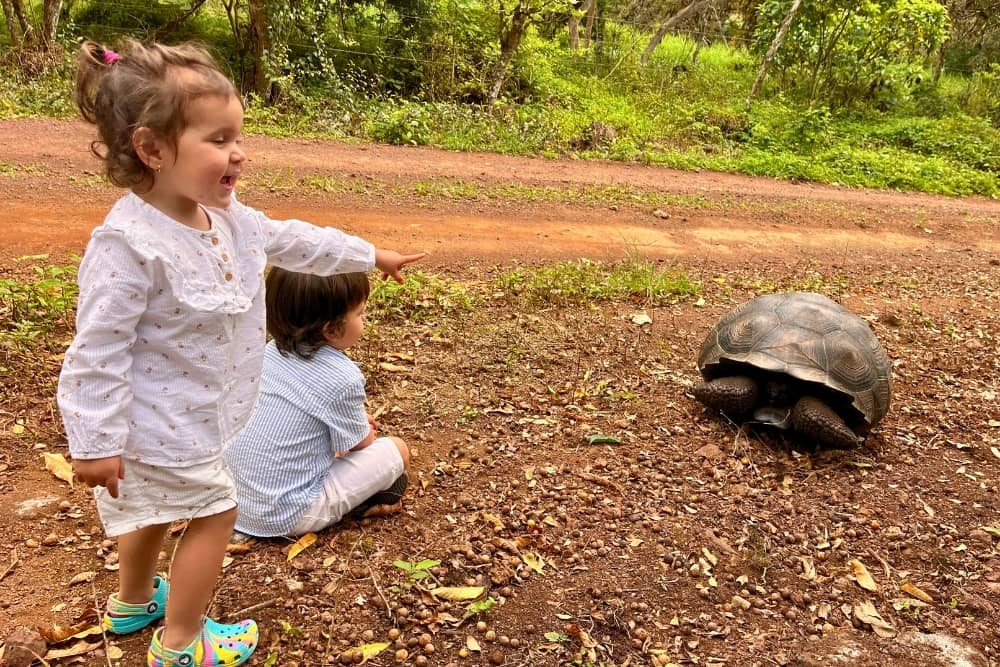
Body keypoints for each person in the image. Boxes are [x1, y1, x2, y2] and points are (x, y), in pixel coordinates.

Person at [57, 39, 424, 667]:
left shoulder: (224, 216)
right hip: (161, 426)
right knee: (215, 512)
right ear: (151, 149)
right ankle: (181, 643)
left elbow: (295, 241)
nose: (240, 154)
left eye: (239, 137)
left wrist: (368, 255)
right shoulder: (128, 244)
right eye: (220, 140)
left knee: (147, 510)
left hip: (193, 416)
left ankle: (134, 602)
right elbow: (97, 349)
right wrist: (92, 440)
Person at [225, 268, 410, 538]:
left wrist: (350, 429)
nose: (365, 319)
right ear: (331, 330)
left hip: (231, 501)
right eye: (360, 313)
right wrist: (364, 433)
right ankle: (363, 501)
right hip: (284, 514)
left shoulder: (269, 353)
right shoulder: (343, 377)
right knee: (398, 449)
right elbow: (358, 443)